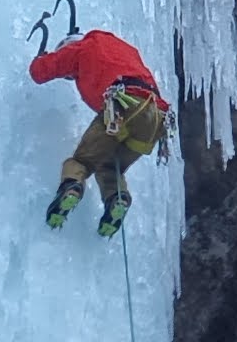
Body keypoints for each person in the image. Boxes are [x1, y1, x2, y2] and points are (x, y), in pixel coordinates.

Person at [29, 29, 171, 237]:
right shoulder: (125, 50)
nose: (73, 77)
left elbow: (41, 71)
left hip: (123, 105)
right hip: (155, 120)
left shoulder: (84, 48)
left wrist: (39, 60)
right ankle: (117, 199)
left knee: (81, 162)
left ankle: (71, 188)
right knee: (109, 167)